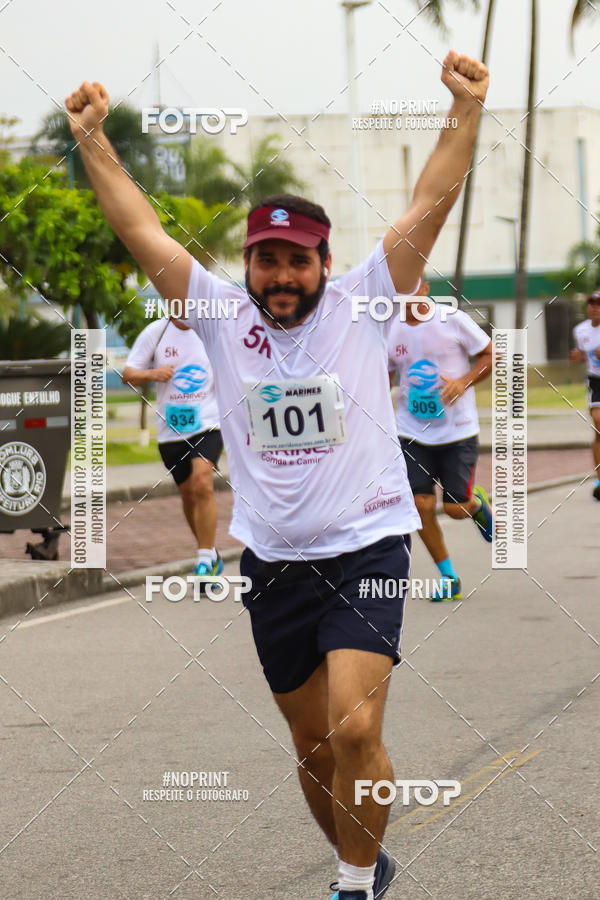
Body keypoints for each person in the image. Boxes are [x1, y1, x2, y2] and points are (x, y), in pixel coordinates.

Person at [66, 50, 489, 900]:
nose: (282, 277)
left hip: (367, 546)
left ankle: (352, 882)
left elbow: (431, 200)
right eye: (268, 260)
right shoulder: (219, 314)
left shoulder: (369, 299)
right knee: (313, 748)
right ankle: (363, 856)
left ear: (325, 263)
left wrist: (466, 109)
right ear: (249, 263)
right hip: (273, 560)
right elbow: (139, 229)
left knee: (357, 724)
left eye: (298, 261)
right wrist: (91, 141)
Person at [388, 279, 494, 602]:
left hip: (457, 430)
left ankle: (475, 504)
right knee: (420, 505)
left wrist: (464, 381)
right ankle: (449, 576)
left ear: (424, 288)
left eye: (411, 287)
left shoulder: (452, 319)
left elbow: (490, 355)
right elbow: (385, 373)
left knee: (456, 508)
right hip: (411, 431)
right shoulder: (389, 330)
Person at [121, 316, 224, 581]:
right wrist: (153, 374)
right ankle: (210, 552)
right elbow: (128, 374)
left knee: (202, 482)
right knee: (189, 495)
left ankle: (202, 561)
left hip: (208, 423)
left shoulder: (211, 330)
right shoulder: (156, 332)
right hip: (172, 431)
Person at [570, 290, 600, 501]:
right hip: (595, 381)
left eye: (598, 304)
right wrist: (578, 357)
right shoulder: (580, 330)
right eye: (591, 304)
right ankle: (599, 479)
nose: (594, 308)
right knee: (598, 425)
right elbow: (582, 356)